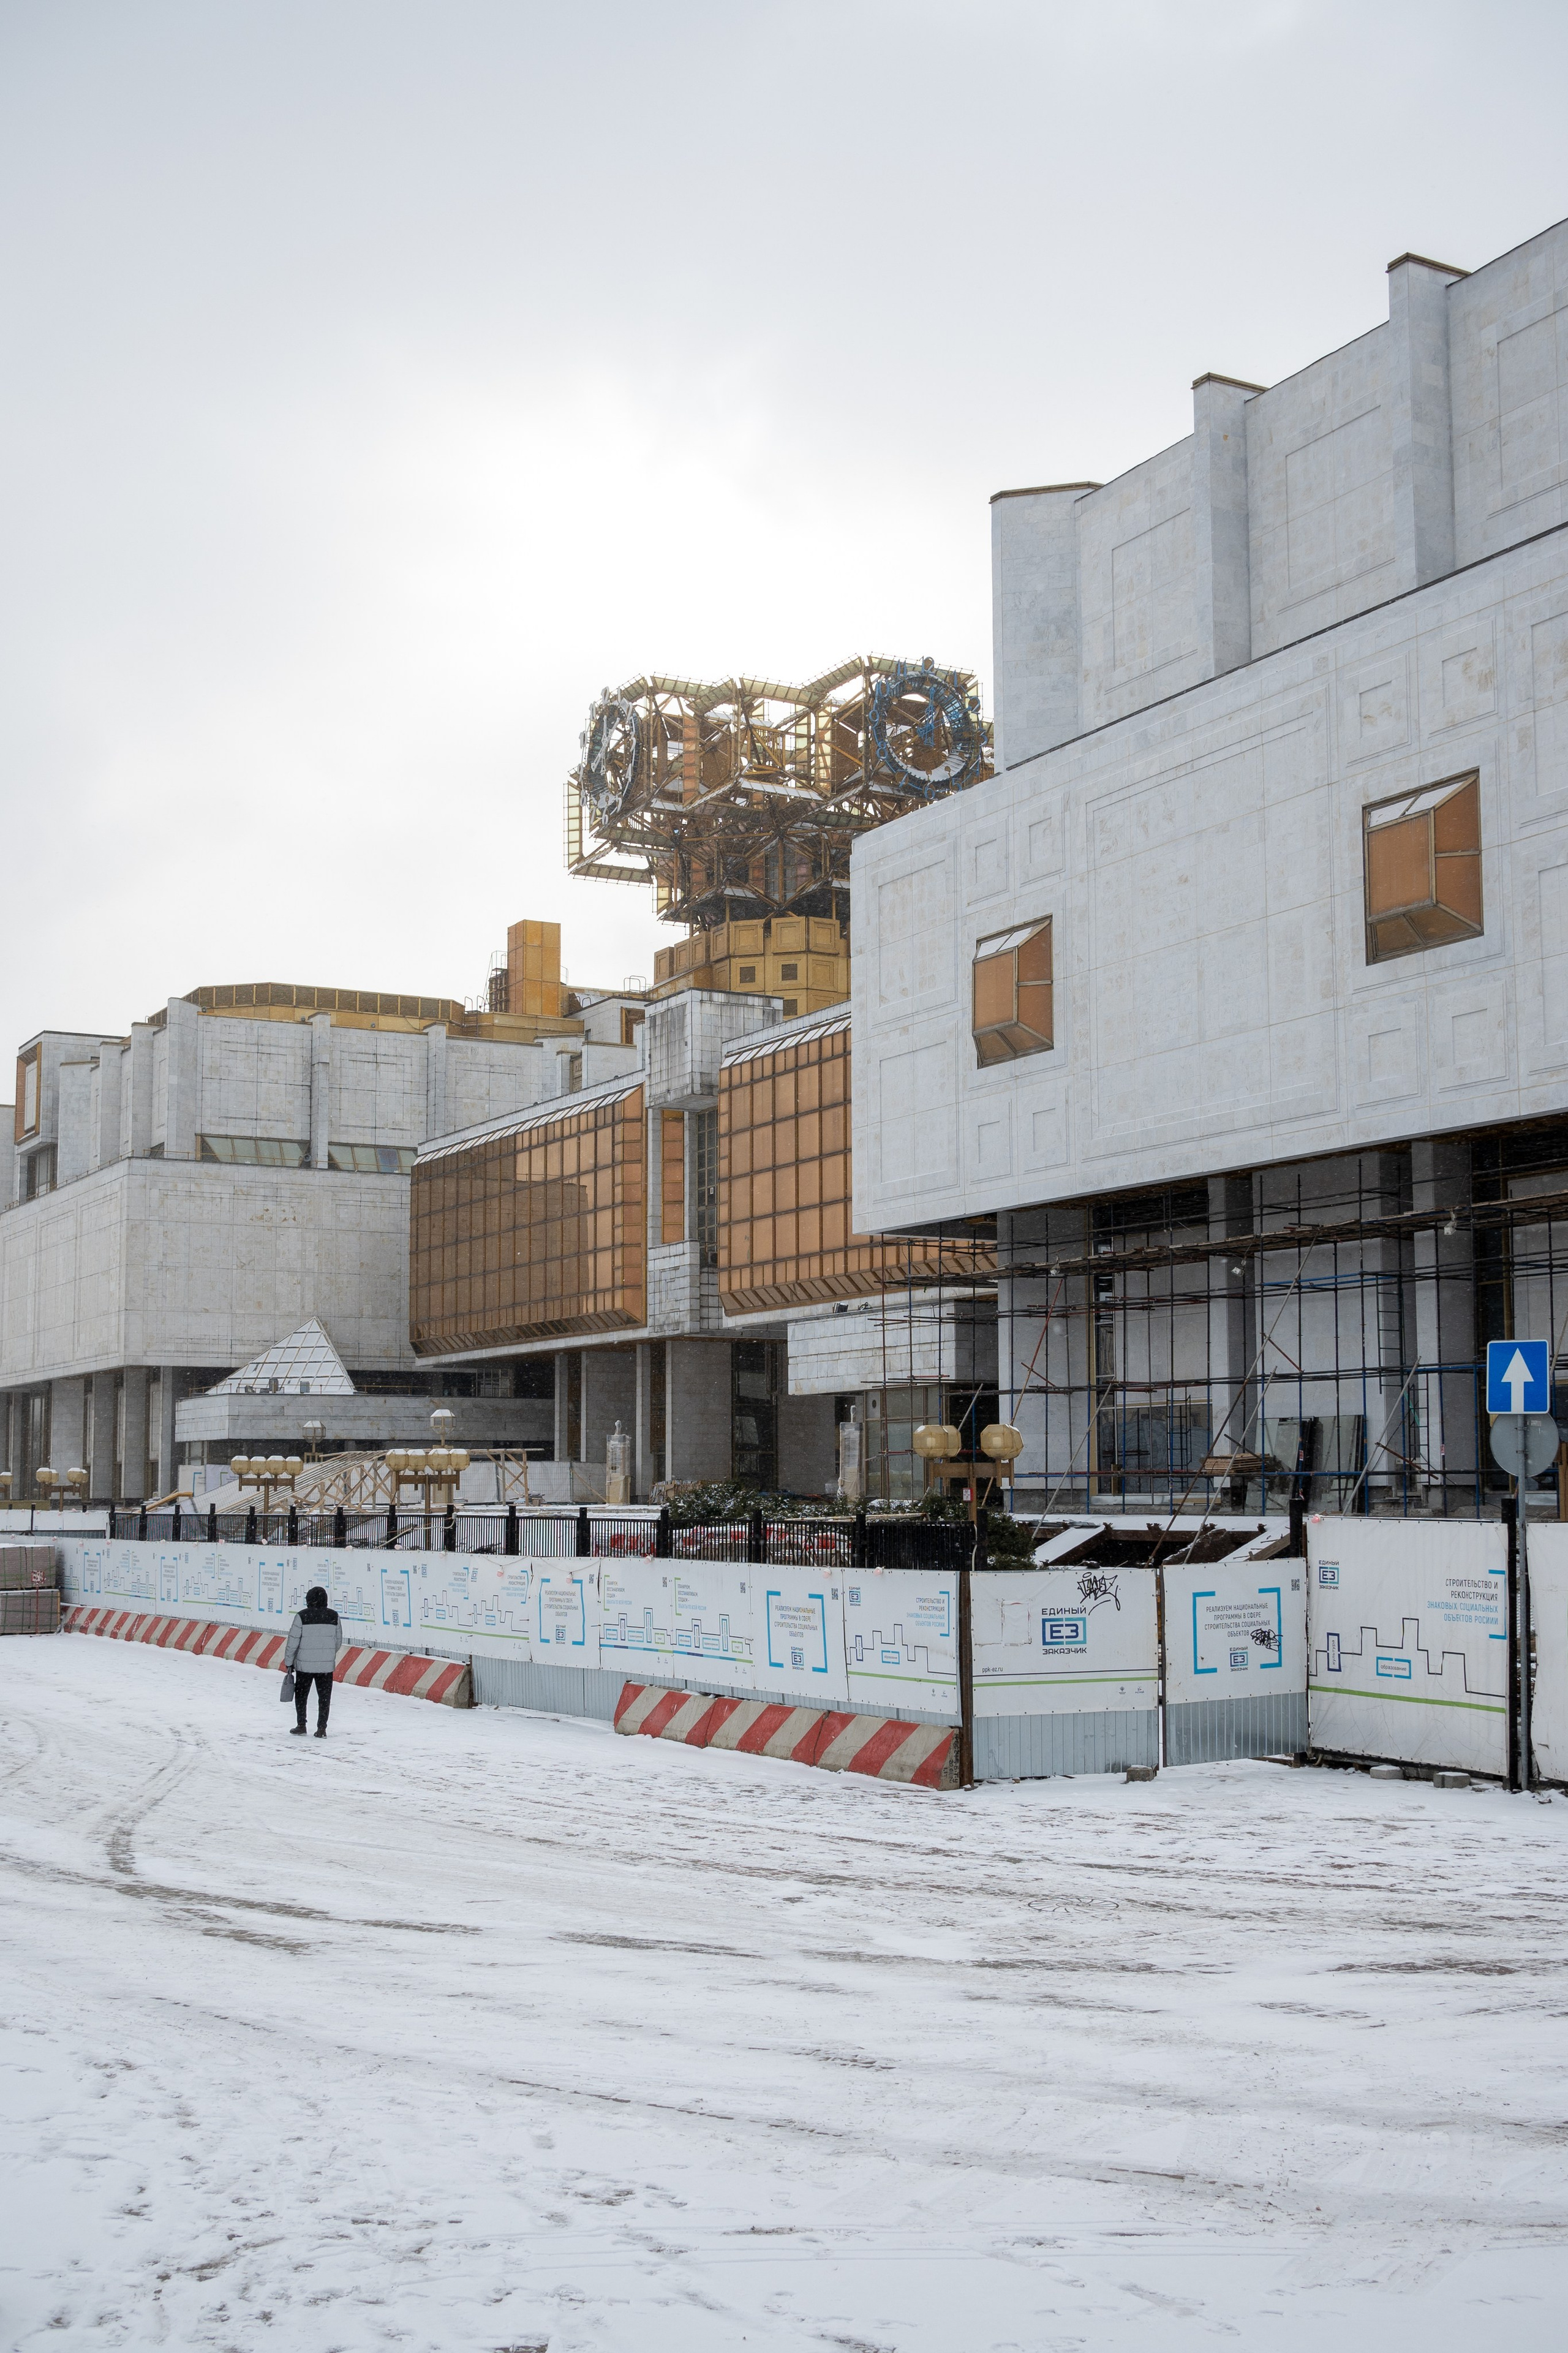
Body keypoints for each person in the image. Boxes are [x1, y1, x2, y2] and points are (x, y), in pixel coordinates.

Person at [284, 1585, 343, 1737]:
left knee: (302, 1695)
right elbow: (338, 1641)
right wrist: (327, 1655)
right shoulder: (334, 1616)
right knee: (324, 1698)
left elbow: (293, 1642)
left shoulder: (302, 1616)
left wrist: (289, 1662)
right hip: (325, 1666)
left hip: (305, 1666)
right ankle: (322, 1728)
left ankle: (301, 1725)